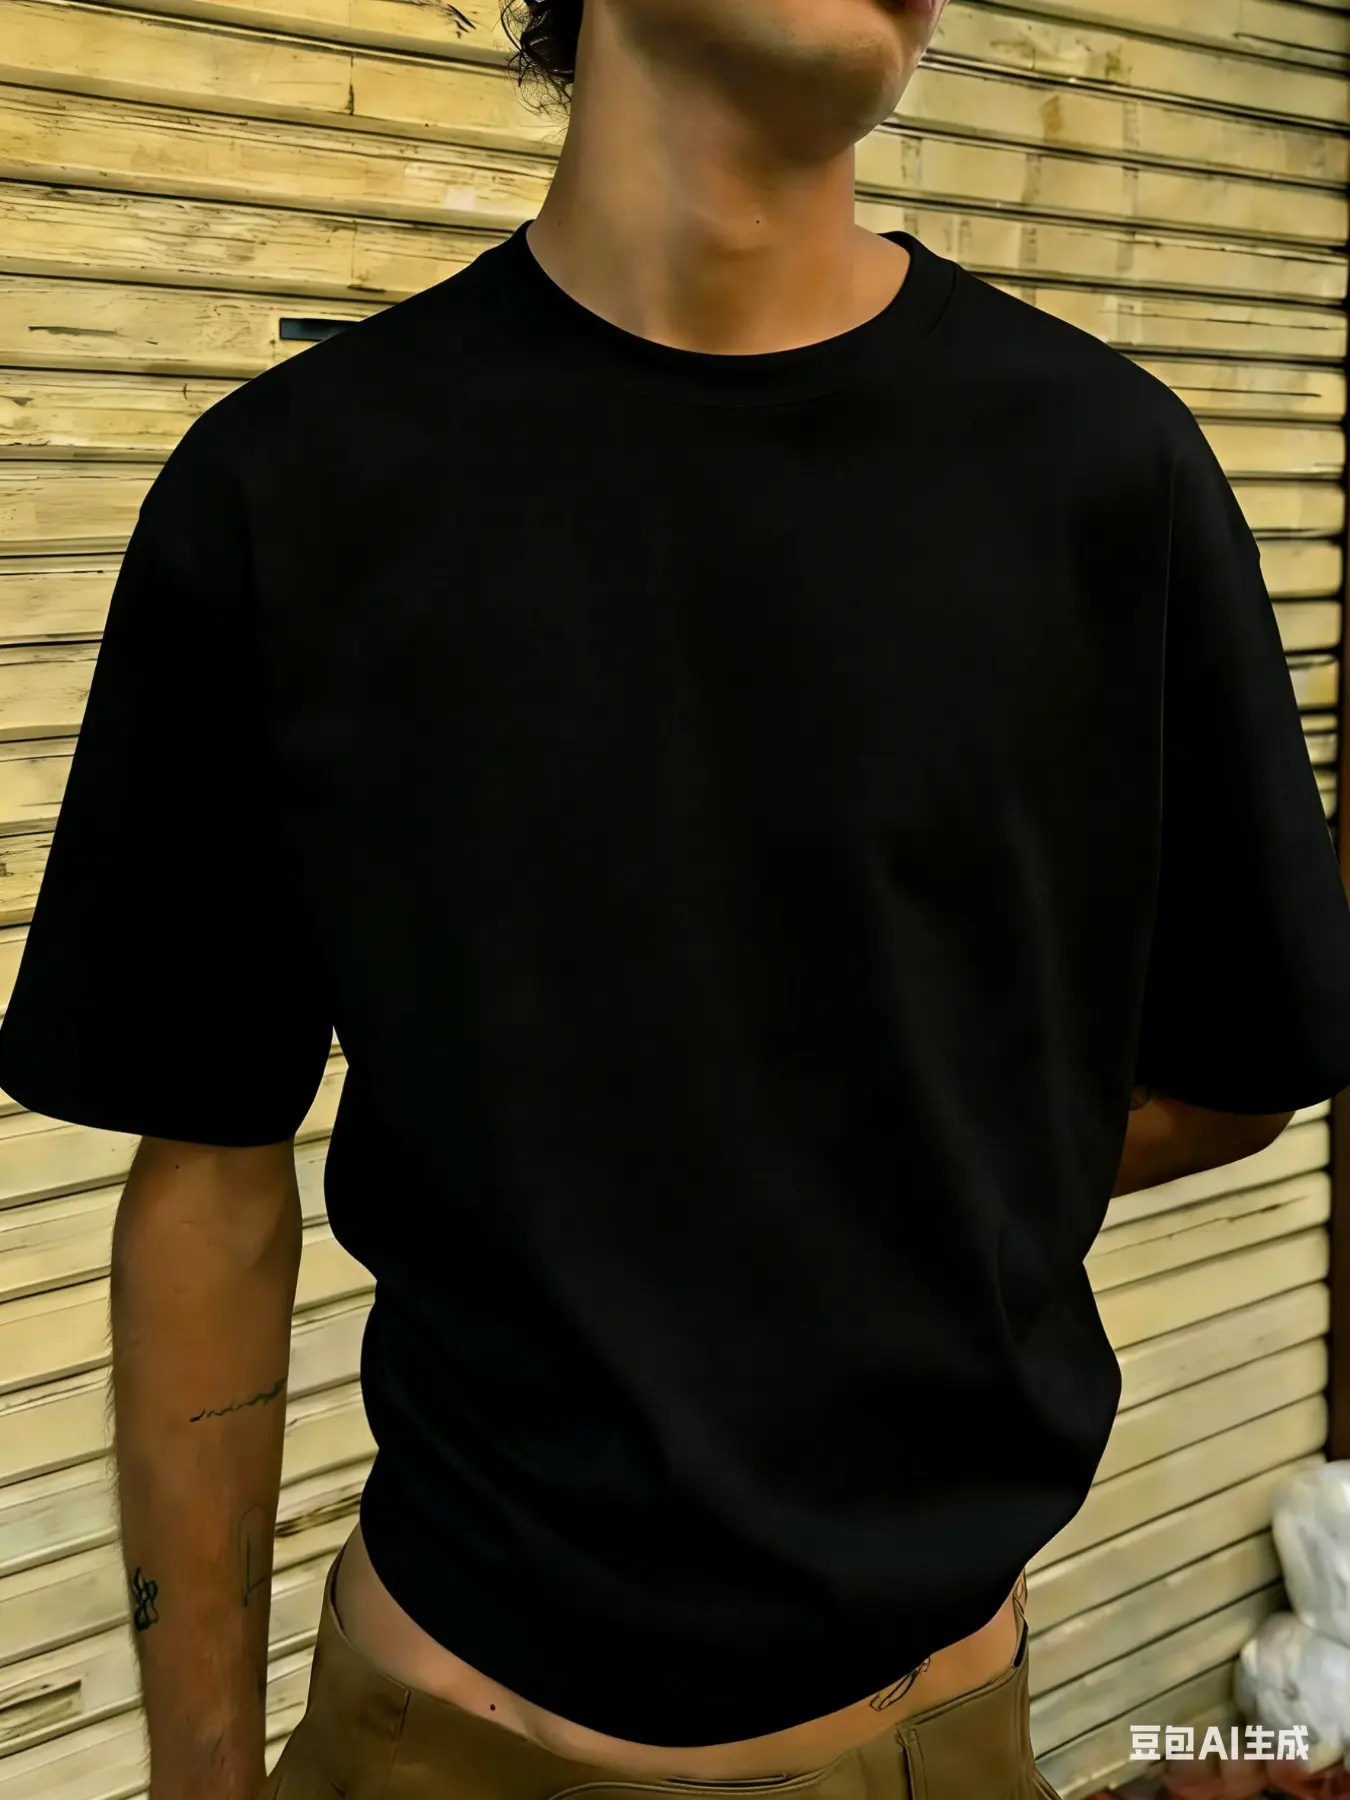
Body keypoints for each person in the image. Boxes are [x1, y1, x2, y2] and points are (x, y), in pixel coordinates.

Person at [3, 0, 1350, 1794]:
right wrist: (199, 1780)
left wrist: (854, 1195)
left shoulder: (1107, 474)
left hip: (939, 1741)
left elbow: (1237, 1065)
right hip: (439, 1746)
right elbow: (207, 1173)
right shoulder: (294, 489)